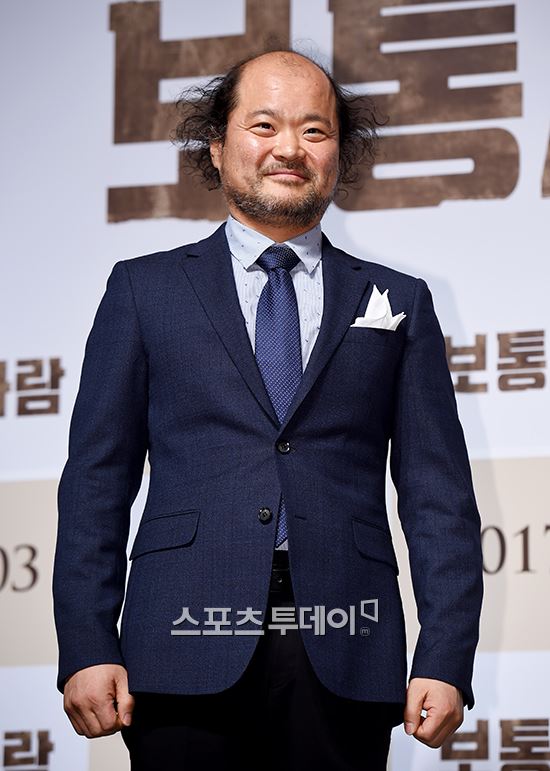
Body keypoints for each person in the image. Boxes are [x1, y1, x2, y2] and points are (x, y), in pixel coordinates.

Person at [52, 49, 483, 770]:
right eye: (264, 125)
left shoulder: (400, 299)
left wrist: (445, 656)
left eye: (315, 130)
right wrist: (87, 644)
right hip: (179, 641)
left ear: (340, 154)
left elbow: (438, 494)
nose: (290, 148)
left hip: (346, 641)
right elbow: (97, 480)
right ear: (216, 147)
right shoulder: (144, 290)